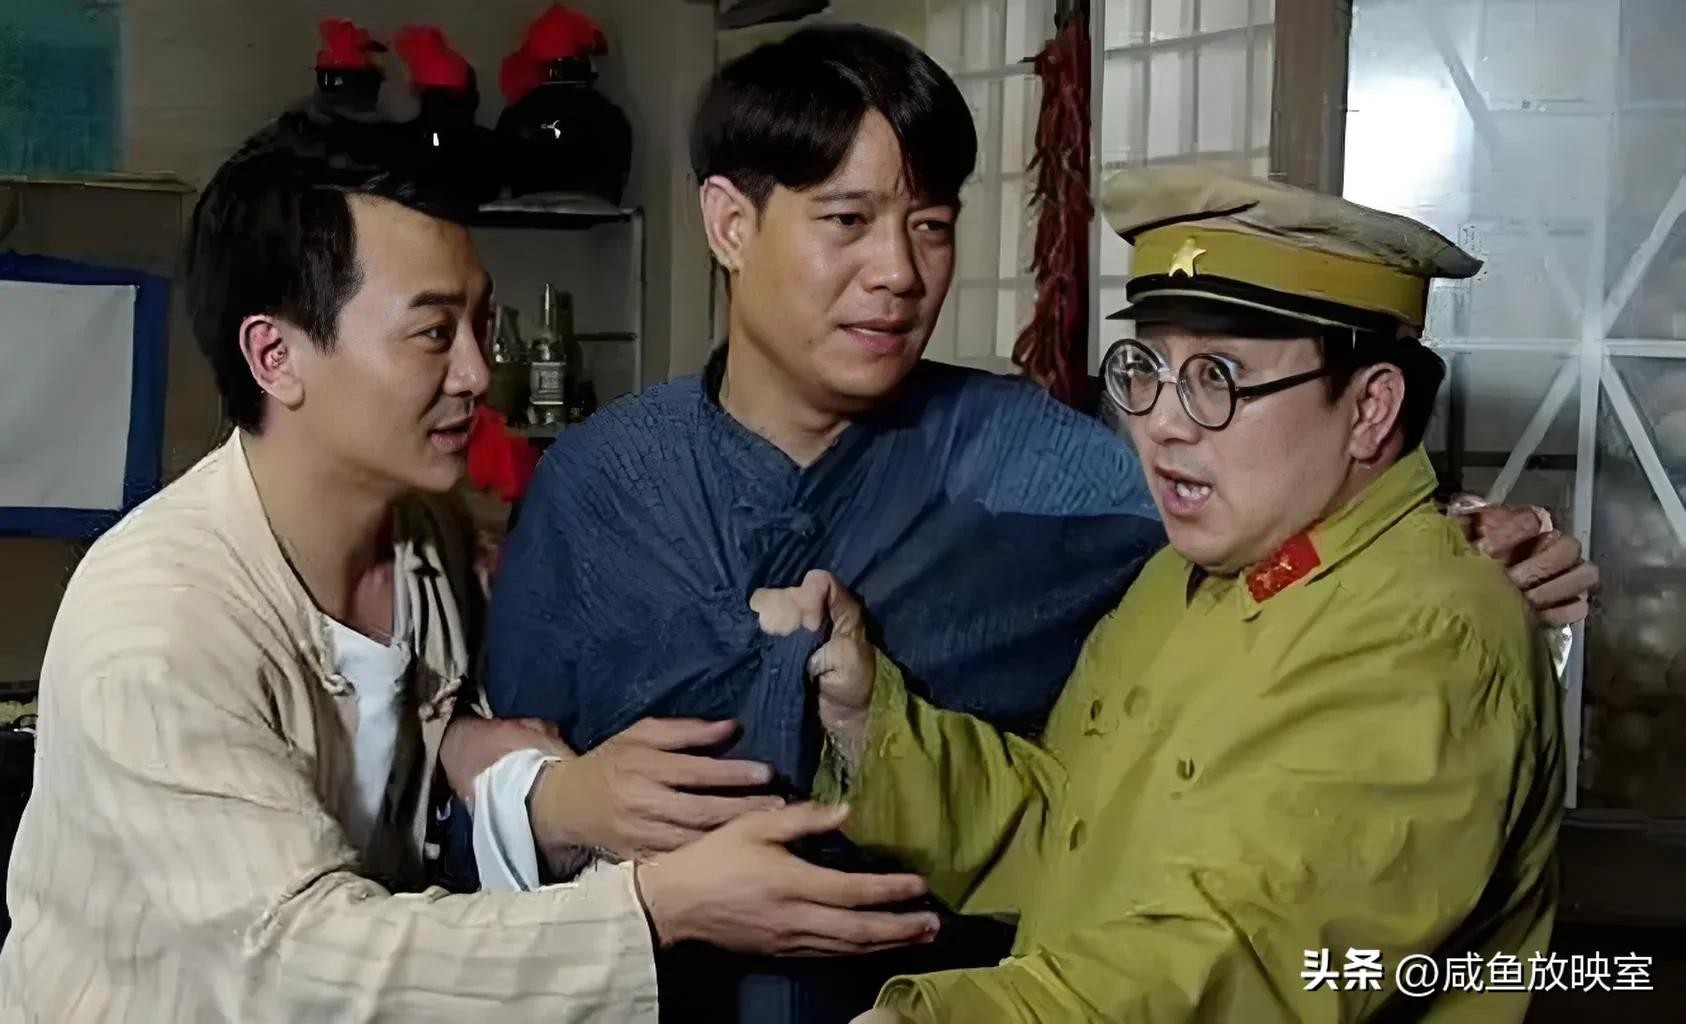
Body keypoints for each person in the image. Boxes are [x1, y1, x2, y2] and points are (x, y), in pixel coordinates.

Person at [463, 23, 1595, 1024]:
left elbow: (1242, 949)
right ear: (728, 223)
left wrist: (1443, 531)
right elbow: (1073, 825)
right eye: (848, 220)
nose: (898, 273)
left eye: (932, 226)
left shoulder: (1052, 472)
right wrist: (564, 801)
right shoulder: (600, 484)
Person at [0, 108, 943, 1022]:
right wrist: (658, 908)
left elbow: (426, 752)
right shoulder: (157, 628)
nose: (476, 374)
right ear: (275, 355)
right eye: (431, 332)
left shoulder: (431, 538)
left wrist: (520, 773)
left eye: (479, 324)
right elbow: (295, 967)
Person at [768, 166, 1568, 1023]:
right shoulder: (1186, 575)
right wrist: (869, 722)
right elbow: (1071, 837)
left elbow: (1247, 955)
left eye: (1219, 377)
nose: (1162, 422)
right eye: (1146, 369)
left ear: (1370, 408)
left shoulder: (1428, 636)